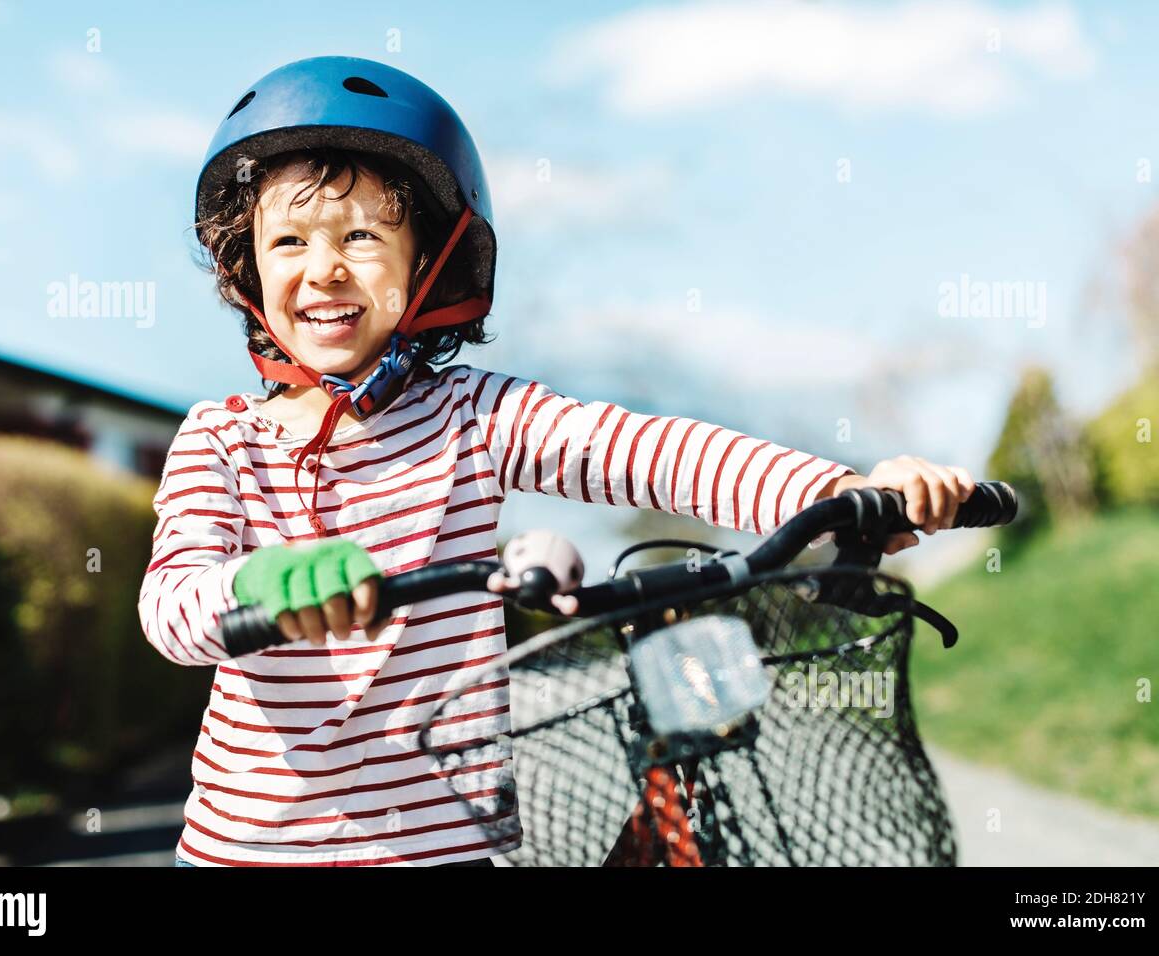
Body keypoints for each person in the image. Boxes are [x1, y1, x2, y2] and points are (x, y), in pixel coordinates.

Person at [140, 56, 975, 867]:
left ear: (426, 264)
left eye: (361, 235)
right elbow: (172, 606)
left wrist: (844, 488)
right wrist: (258, 583)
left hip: (445, 849)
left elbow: (648, 452)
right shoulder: (222, 438)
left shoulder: (473, 416)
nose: (322, 268)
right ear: (246, 263)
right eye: (288, 240)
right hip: (252, 849)